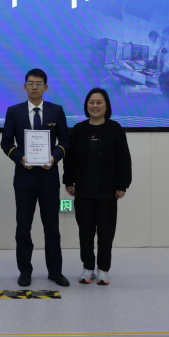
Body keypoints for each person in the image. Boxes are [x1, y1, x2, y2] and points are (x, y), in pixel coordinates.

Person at [0, 68, 71, 288]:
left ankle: (55, 272)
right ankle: (25, 271)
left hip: (49, 178)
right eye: (30, 83)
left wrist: (54, 157)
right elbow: (6, 142)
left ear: (46, 87)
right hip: (24, 178)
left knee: (52, 228)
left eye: (39, 83)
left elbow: (65, 141)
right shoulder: (14, 111)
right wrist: (20, 158)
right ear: (24, 86)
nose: (34, 87)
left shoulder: (56, 111)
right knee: (23, 228)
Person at [63, 88, 131, 286]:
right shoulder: (78, 130)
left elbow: (124, 159)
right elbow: (69, 160)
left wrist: (122, 185)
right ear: (86, 105)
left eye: (99, 102)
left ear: (106, 106)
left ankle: (103, 269)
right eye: (91, 102)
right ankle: (87, 267)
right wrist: (68, 181)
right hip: (83, 192)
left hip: (108, 192)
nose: (95, 106)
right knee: (85, 232)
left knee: (106, 233)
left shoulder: (115, 129)